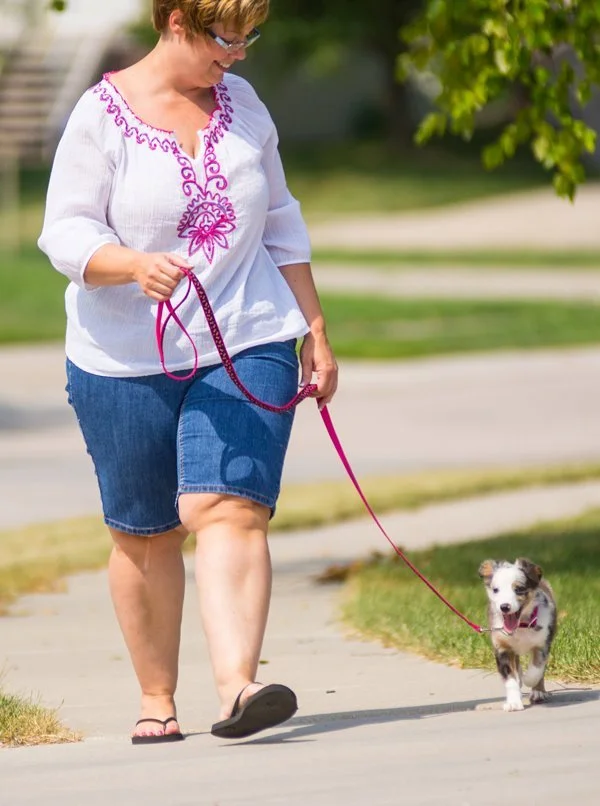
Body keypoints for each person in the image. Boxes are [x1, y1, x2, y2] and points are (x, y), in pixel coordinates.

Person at [38, 0, 338, 744]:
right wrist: (130, 264)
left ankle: (240, 686)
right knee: (145, 533)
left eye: (248, 36)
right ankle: (157, 697)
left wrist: (315, 329)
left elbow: (280, 221)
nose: (237, 53)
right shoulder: (101, 115)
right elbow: (66, 229)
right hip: (121, 357)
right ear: (174, 21)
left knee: (230, 507)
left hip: (248, 333)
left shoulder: (246, 108)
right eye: (222, 37)